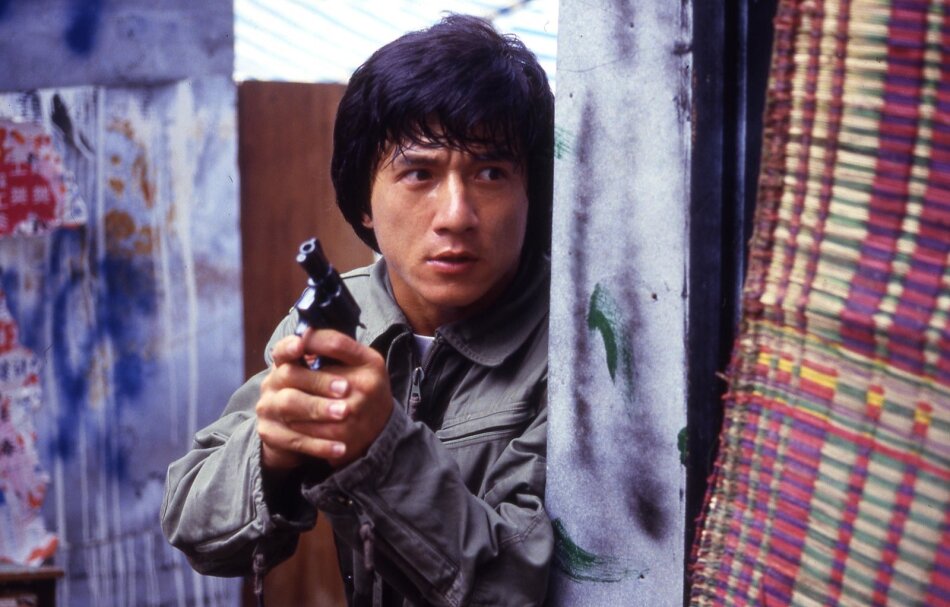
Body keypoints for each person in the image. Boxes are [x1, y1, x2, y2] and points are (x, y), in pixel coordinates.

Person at [161, 13, 554, 607]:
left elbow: (517, 586)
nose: (456, 214)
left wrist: (380, 449)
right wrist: (271, 452)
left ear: (532, 194)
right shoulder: (348, 315)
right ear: (364, 201)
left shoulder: (575, 347)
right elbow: (193, 527)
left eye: (491, 172)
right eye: (418, 173)